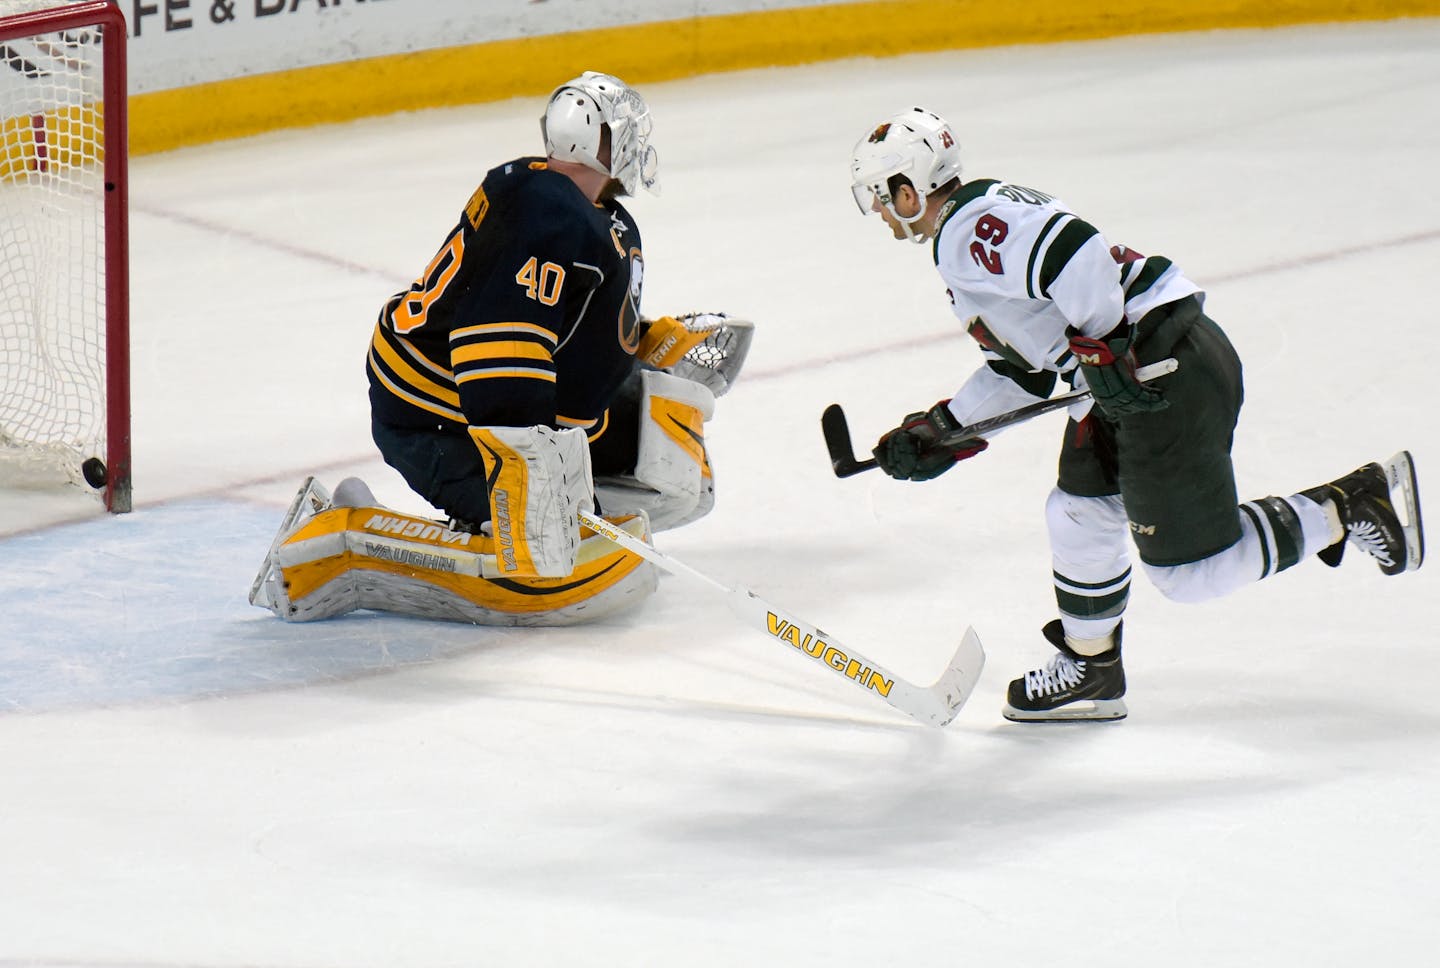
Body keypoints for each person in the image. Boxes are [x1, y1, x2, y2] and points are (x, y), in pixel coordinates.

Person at [845, 106, 1424, 722]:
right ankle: (1092, 667)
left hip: (1160, 375)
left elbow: (1076, 250)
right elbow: (1029, 370)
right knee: (1078, 513)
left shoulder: (967, 230)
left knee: (1193, 575)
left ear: (909, 191)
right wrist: (943, 429)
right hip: (1148, 368)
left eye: (883, 198)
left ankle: (1349, 505)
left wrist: (1105, 348)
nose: (880, 212)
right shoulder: (975, 223)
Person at [250, 71, 752, 627]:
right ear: (593, 142)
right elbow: (499, 340)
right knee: (542, 561)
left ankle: (542, 506)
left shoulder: (587, 214)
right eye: (622, 132)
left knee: (676, 482)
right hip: (437, 412)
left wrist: (646, 345)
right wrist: (528, 459)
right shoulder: (545, 211)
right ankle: (347, 535)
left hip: (509, 405)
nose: (635, 145)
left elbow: (564, 322)